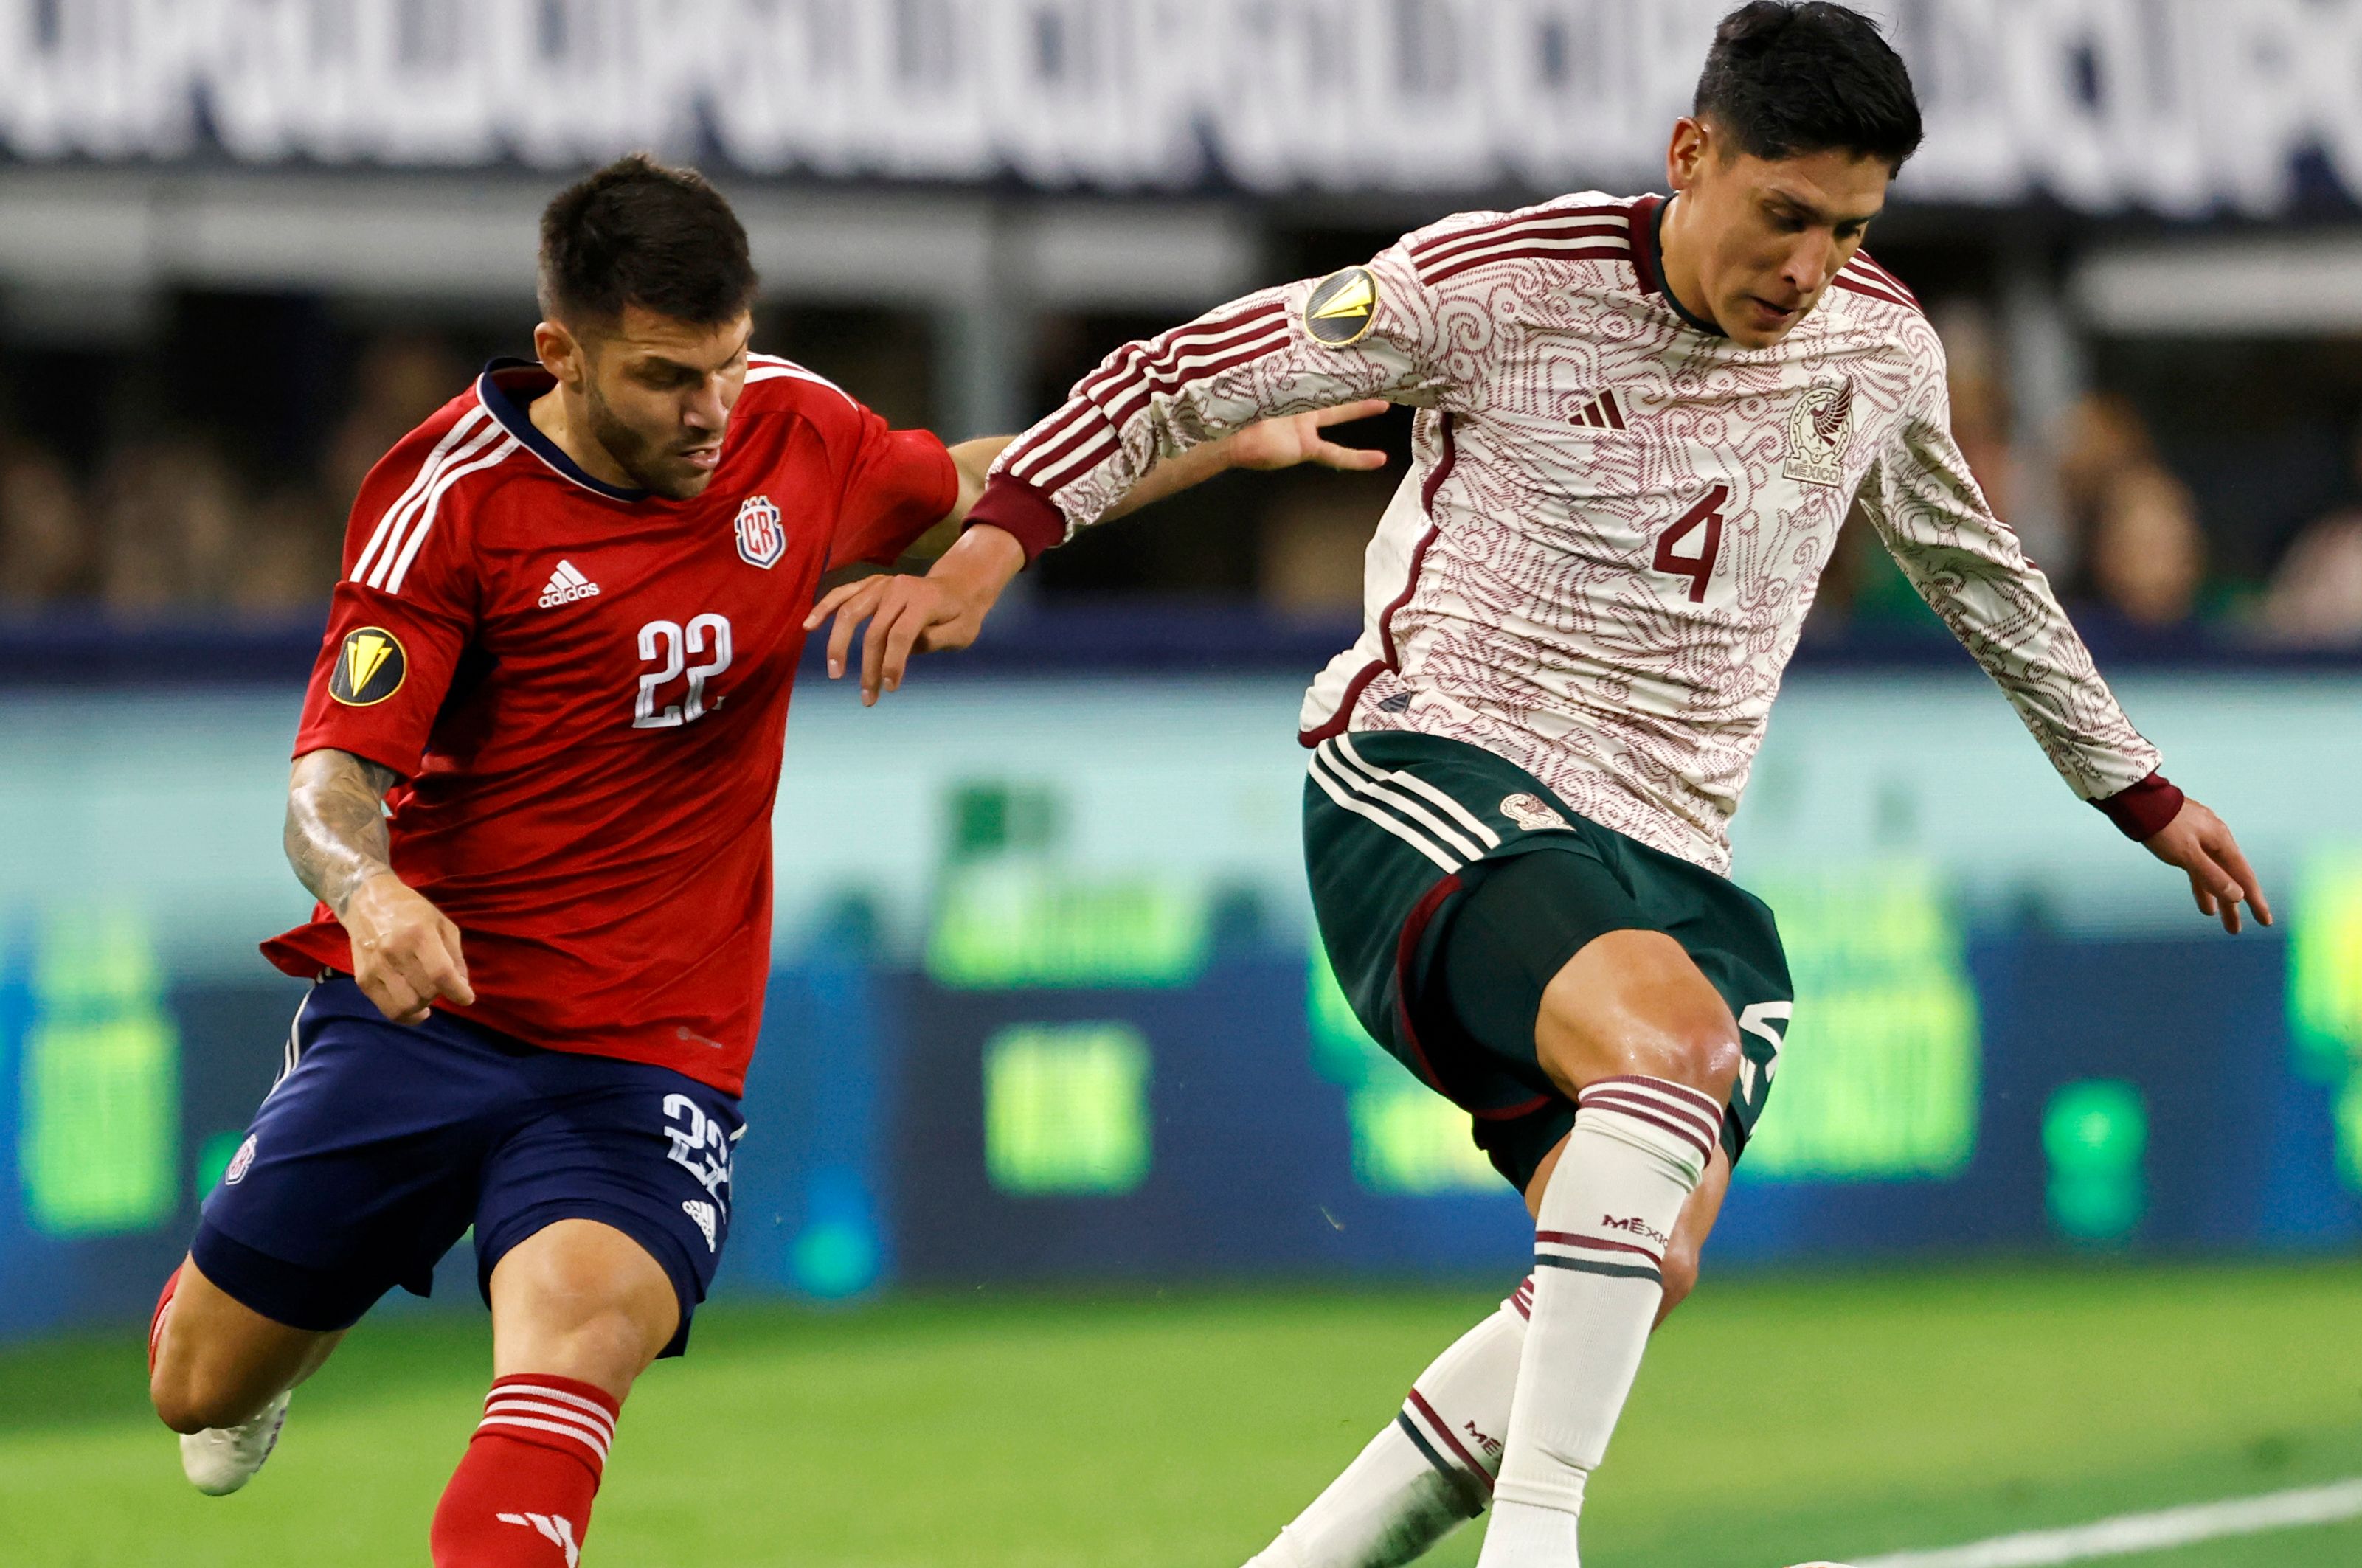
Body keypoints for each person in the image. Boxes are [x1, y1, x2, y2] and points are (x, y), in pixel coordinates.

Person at [807, 6, 2271, 1566]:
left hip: (1667, 859)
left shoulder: (1877, 344)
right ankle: (1539, 1539)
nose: (1806, 268)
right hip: (1430, 776)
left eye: (1847, 229)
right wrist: (991, 543)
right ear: (1687, 155)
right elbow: (1195, 367)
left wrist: (2134, 790)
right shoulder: (1498, 281)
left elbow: (1982, 577)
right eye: (1782, 216)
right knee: (1670, 1051)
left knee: (1638, 1251)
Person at [141, 153, 1382, 1565]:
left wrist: (1214, 441)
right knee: (201, 1387)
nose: (711, 409)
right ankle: (288, 1309)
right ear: (561, 352)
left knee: (568, 1354)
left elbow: (975, 478)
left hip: (651, 1047)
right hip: (429, 1017)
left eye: (728, 362)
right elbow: (329, 776)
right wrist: (370, 893)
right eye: (670, 375)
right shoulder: (448, 504)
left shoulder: (790, 430)